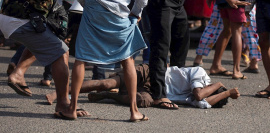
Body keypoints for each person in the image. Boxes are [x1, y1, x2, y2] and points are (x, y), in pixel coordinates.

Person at [0, 0, 92, 118]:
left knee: (51, 37)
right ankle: (63, 104)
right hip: (19, 20)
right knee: (60, 51)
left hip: (17, 19)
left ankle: (18, 73)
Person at [46, 64, 240, 109]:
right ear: (212, 85)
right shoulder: (201, 73)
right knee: (106, 81)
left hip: (152, 92)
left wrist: (227, 94)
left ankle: (109, 95)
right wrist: (223, 85)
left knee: (142, 101)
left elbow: (202, 101)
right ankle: (59, 93)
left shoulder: (194, 98)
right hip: (151, 72)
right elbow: (200, 95)